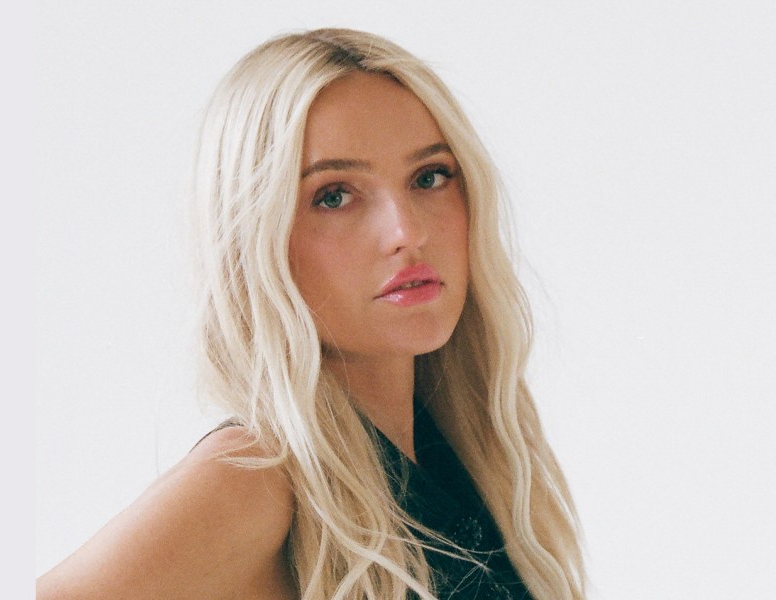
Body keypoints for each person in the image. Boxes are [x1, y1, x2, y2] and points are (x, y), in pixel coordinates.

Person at [37, 28, 585, 600]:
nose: (406, 231)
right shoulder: (258, 477)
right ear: (254, 240)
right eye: (334, 196)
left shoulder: (464, 451)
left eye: (429, 177)